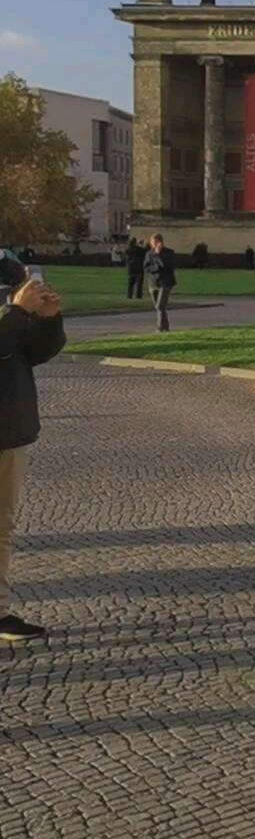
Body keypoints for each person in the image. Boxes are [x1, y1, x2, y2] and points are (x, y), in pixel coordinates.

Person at [0, 255, 64, 642]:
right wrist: (16, 312)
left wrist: (47, 319)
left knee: (2, 526)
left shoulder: (8, 284)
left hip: (10, 427)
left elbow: (31, 353)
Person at [144, 233, 177, 332]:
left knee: (160, 305)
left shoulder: (169, 253)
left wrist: (158, 255)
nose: (152, 244)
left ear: (160, 242)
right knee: (159, 307)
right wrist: (155, 268)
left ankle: (160, 327)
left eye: (154, 242)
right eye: (151, 242)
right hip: (153, 283)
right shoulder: (149, 254)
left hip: (165, 282)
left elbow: (166, 266)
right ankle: (166, 327)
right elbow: (146, 267)